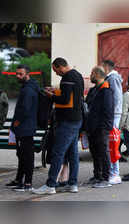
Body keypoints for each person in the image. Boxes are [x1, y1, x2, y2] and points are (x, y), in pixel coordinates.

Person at [33, 57, 84, 195]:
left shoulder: (67, 77)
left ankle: (50, 185)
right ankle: (72, 184)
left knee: (58, 153)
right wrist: (56, 90)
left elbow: (65, 99)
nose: (56, 74)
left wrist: (51, 96)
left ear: (60, 66)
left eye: (56, 71)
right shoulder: (77, 75)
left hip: (67, 121)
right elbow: (72, 95)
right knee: (73, 153)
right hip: (77, 119)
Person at [5, 64, 39, 192]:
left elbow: (25, 109)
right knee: (22, 154)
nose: (18, 76)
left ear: (27, 74)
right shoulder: (28, 87)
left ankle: (27, 183)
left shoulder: (28, 90)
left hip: (25, 127)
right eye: (17, 73)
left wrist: (16, 123)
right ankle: (19, 179)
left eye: (21, 74)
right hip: (25, 127)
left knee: (27, 156)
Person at [86, 66, 114, 188]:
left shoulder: (106, 90)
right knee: (95, 153)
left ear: (97, 74)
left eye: (92, 73)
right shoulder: (94, 90)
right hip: (92, 127)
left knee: (103, 152)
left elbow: (108, 111)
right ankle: (97, 175)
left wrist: (105, 127)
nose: (90, 75)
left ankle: (106, 178)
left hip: (102, 128)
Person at [102, 60, 123, 185]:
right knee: (111, 144)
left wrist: (112, 112)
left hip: (113, 115)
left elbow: (116, 97)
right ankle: (112, 171)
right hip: (113, 114)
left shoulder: (113, 78)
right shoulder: (111, 77)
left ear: (106, 67)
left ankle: (115, 173)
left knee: (113, 144)